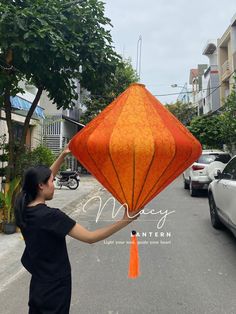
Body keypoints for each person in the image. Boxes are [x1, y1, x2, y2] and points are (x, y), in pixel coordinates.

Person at [14, 142, 141, 314]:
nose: (54, 183)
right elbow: (90, 237)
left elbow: (43, 177)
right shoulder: (51, 216)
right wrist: (125, 221)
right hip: (56, 288)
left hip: (38, 286)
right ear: (41, 186)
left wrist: (63, 155)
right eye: (52, 181)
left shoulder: (23, 207)